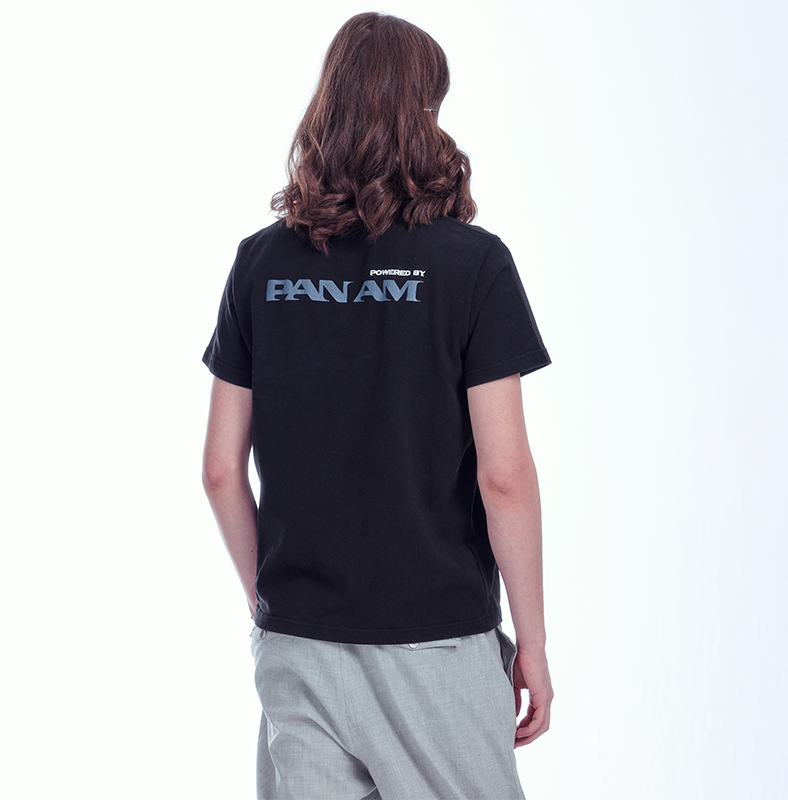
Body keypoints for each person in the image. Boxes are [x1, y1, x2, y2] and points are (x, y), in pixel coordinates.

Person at [202, 12, 553, 800]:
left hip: (297, 648)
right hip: (434, 646)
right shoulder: (474, 265)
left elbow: (221, 469)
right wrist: (530, 642)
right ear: (423, 113)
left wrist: (272, 596)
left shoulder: (259, 264)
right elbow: (503, 476)